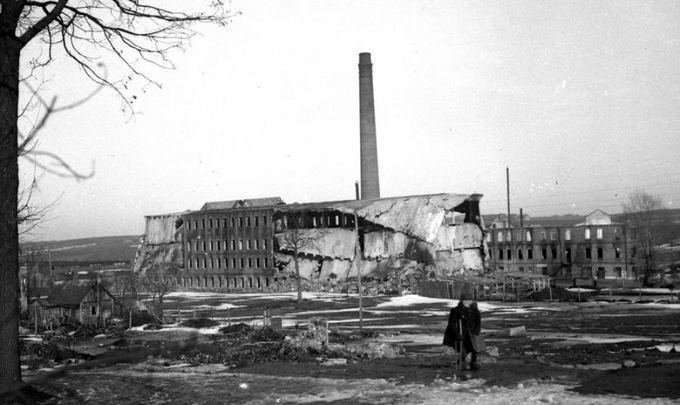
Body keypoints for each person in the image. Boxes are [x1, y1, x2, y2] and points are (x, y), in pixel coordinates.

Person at [443, 293, 482, 370]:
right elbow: (452, 324)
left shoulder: (475, 311)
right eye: (465, 300)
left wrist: (476, 333)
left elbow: (478, 324)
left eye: (469, 300)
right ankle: (461, 366)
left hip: (471, 335)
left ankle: (473, 365)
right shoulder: (456, 311)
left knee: (474, 351)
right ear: (462, 301)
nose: (467, 302)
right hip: (459, 335)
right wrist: (457, 335)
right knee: (463, 352)